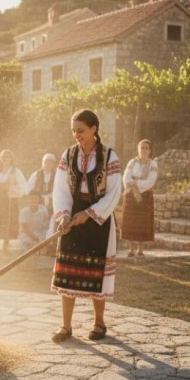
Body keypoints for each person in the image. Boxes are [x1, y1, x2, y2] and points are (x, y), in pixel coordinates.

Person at [51, 109, 122, 343]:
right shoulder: (68, 155)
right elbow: (60, 188)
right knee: (67, 271)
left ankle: (99, 323)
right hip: (72, 215)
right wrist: (63, 215)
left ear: (94, 129)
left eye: (80, 130)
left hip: (98, 218)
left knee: (97, 272)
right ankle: (66, 325)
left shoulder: (109, 156)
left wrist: (89, 214)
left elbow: (113, 194)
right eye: (73, 130)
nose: (76, 135)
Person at [121, 139, 158, 257]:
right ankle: (131, 248)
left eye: (146, 148)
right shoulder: (132, 162)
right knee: (130, 221)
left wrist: (138, 187)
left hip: (145, 194)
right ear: (138, 149)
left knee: (142, 221)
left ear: (150, 150)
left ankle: (140, 249)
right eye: (142, 147)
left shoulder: (153, 164)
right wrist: (133, 187)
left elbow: (151, 180)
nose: (144, 150)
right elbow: (126, 176)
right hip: (131, 194)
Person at [0, 149, 26, 252]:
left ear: (11, 159)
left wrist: (11, 191)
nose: (5, 159)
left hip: (9, 200)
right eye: (3, 157)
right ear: (0, 158)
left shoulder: (15, 171)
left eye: (7, 157)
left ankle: (6, 245)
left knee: (8, 221)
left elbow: (23, 186)